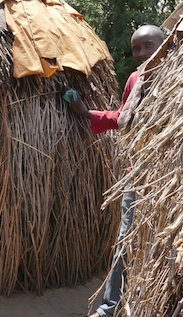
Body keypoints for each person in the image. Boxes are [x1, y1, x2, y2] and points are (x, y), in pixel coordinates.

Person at [67, 24, 164, 317]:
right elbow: (124, 119)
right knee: (125, 241)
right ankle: (110, 307)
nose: (142, 53)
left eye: (148, 45)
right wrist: (87, 114)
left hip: (171, 176)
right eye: (137, 48)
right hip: (139, 173)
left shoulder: (176, 77)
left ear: (166, 44)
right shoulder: (136, 79)